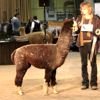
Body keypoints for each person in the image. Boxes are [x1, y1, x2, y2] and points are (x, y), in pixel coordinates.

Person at [73, 2, 100, 90]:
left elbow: (98, 31)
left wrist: (87, 27)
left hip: (92, 44)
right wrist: (76, 28)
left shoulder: (96, 19)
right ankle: (85, 82)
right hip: (82, 43)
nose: (82, 10)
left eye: (84, 8)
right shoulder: (79, 18)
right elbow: (76, 31)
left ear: (89, 9)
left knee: (93, 64)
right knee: (83, 64)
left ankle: (94, 83)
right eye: (81, 9)